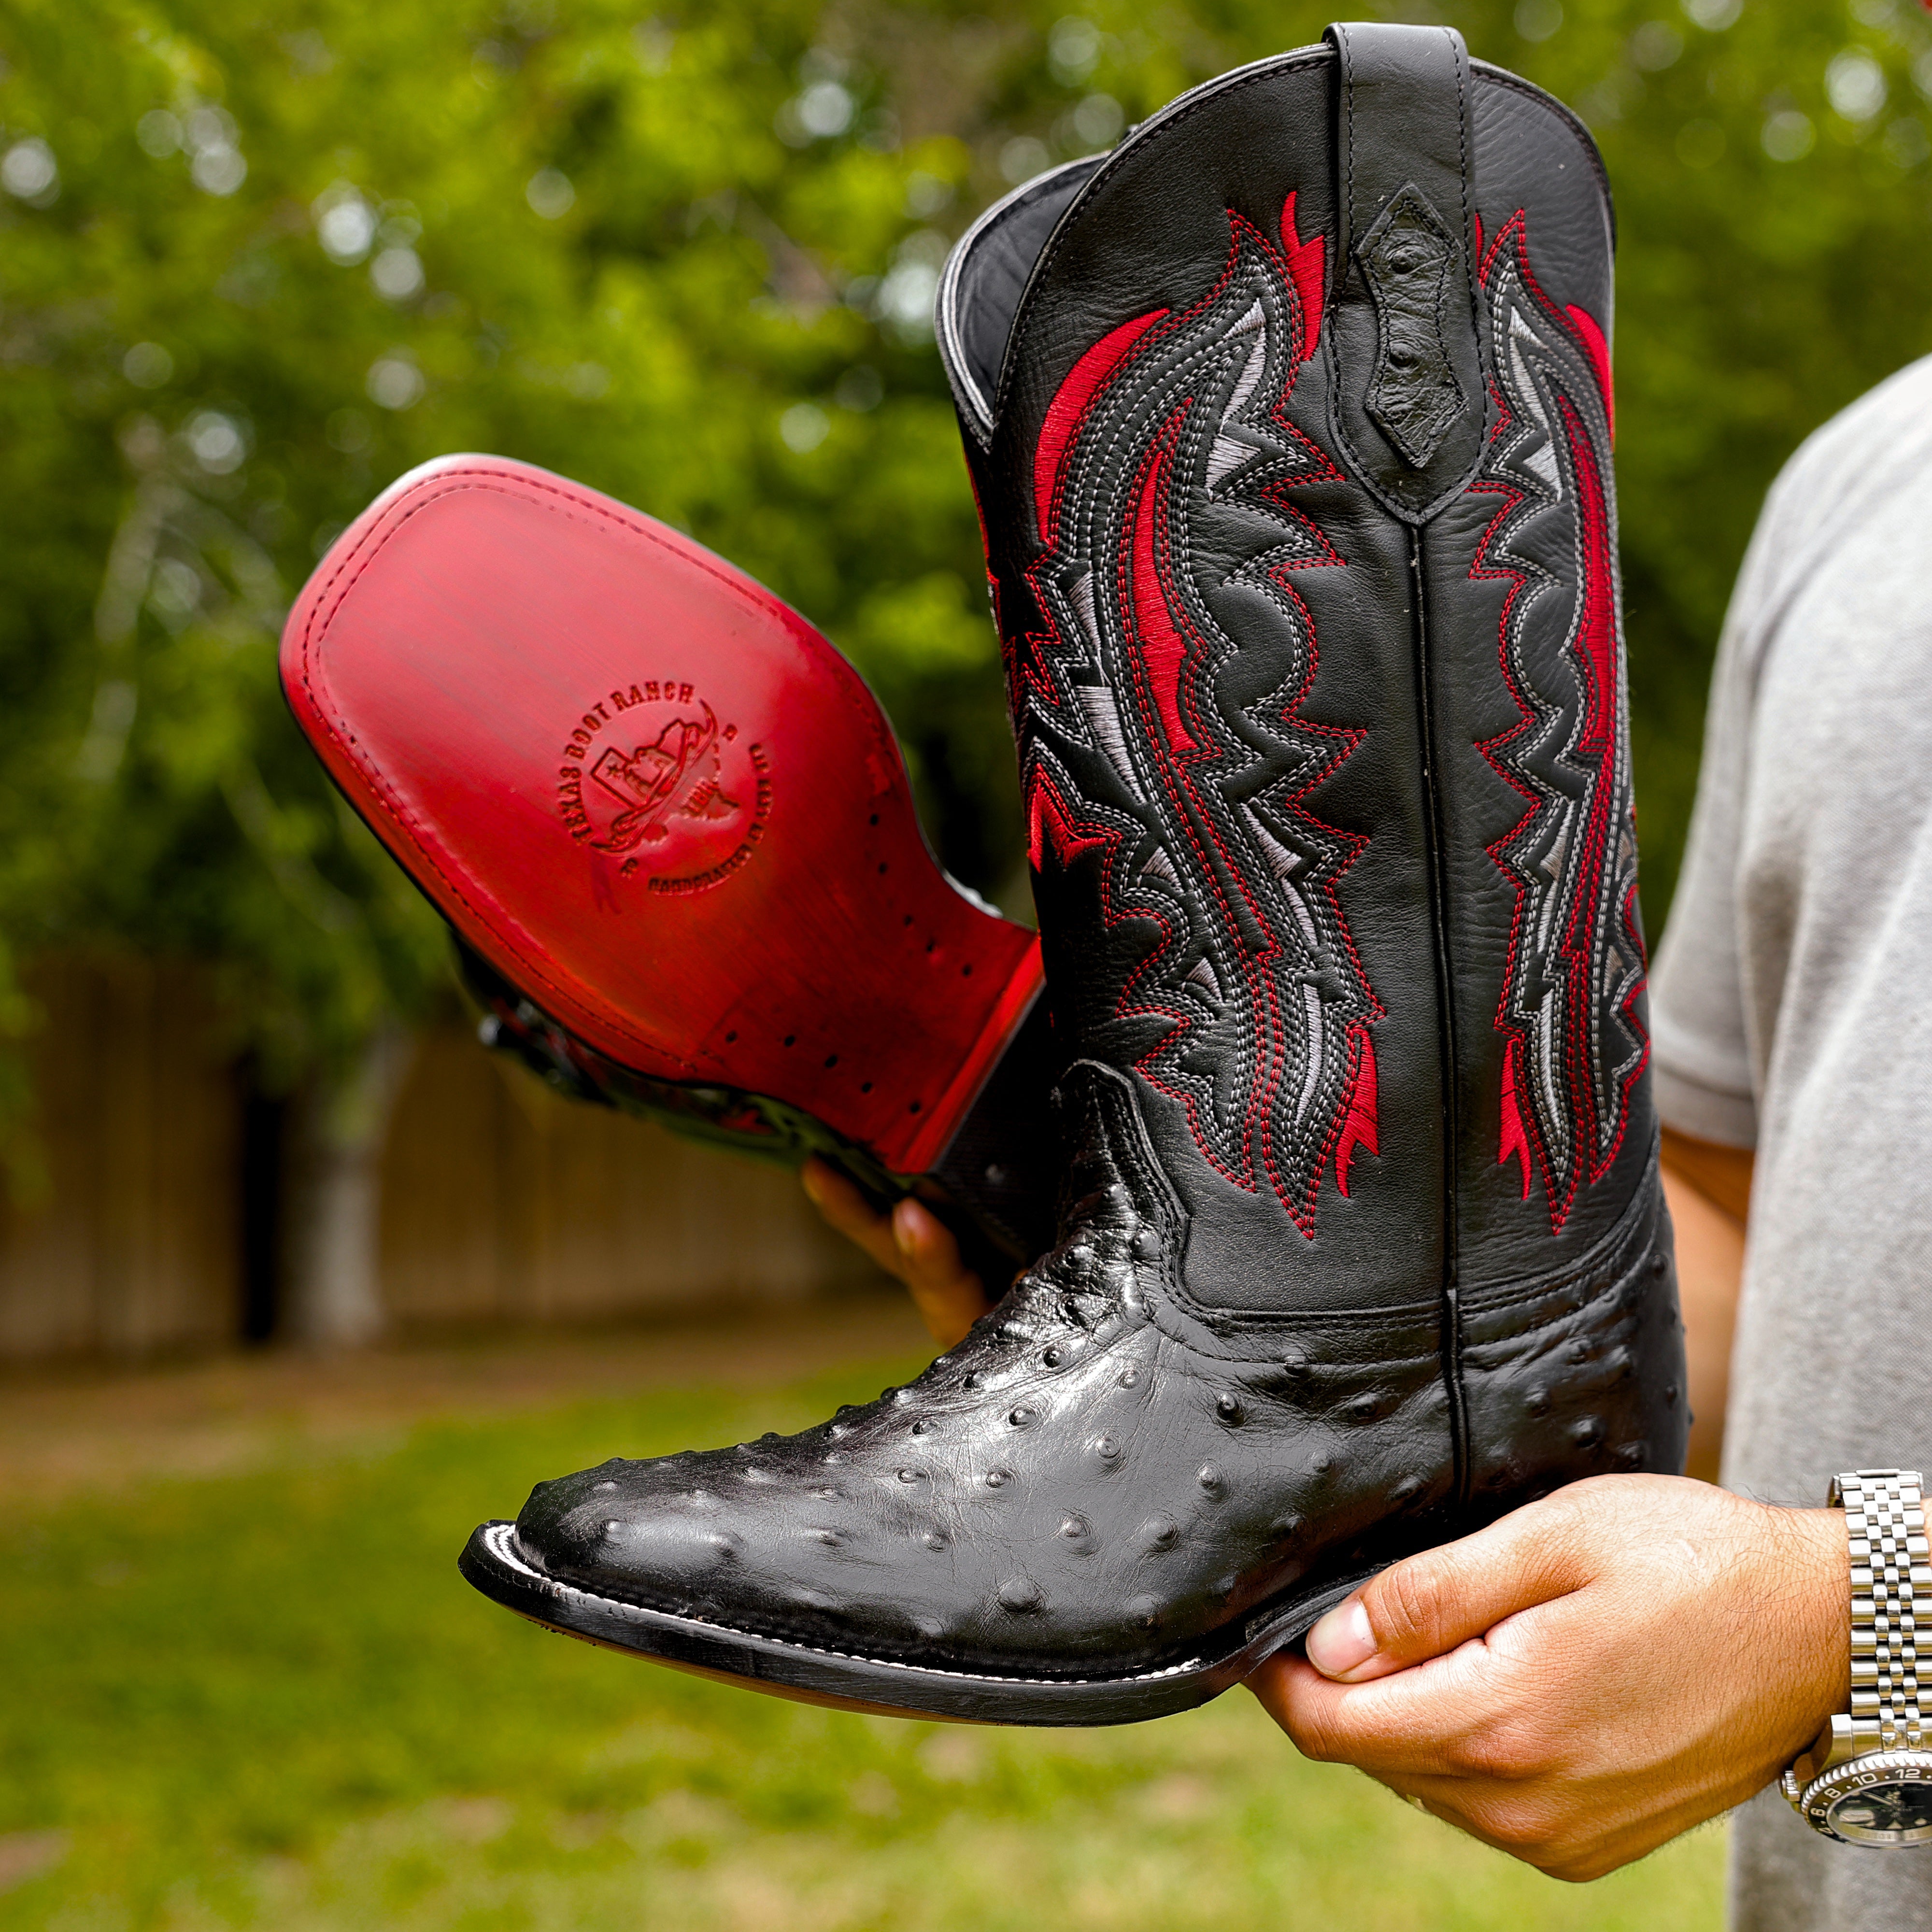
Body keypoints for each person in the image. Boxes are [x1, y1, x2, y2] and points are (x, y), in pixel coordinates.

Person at [805, 349, 1932, 1921]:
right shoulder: (1868, 488)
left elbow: (1855, 1603)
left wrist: (1874, 1622)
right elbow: (1759, 1269)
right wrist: (1262, 1317)